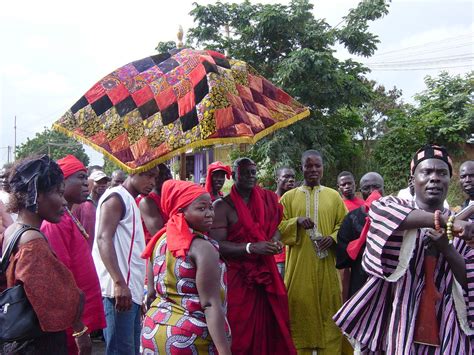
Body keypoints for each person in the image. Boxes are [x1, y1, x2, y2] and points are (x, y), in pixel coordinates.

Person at [334, 145, 474, 353]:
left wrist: (447, 247)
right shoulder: (391, 206)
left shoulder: (464, 228)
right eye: (426, 172)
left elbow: (468, 278)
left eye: (442, 173)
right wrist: (447, 223)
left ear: (449, 180)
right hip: (397, 317)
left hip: (446, 320)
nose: (434, 178)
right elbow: (382, 215)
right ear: (412, 179)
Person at [0, 155, 87, 354]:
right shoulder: (32, 242)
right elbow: (62, 297)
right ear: (37, 194)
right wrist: (80, 330)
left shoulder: (12, 231)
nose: (64, 202)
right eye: (59, 193)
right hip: (36, 344)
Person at [211, 157, 296, 355]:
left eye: (253, 172)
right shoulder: (221, 206)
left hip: (266, 273)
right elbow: (217, 244)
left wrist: (275, 241)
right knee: (239, 330)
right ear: (234, 175)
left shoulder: (267, 199)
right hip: (238, 278)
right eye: (245, 172)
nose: (251, 176)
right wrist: (250, 248)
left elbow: (275, 228)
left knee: (271, 324)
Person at [141, 180, 231, 354]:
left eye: (210, 207)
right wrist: (224, 350)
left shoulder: (159, 241)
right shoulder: (203, 248)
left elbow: (151, 293)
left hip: (152, 331)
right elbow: (210, 304)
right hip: (188, 337)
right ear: (181, 211)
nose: (209, 214)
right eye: (201, 208)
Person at [279, 150, 347, 355]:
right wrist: (295, 222)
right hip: (299, 268)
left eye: (317, 166)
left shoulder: (334, 196)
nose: (313, 170)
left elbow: (344, 225)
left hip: (327, 267)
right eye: (309, 166)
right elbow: (276, 228)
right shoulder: (288, 198)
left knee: (330, 310)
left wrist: (333, 238)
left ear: (323, 168)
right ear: (302, 168)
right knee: (299, 311)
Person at [41, 155, 106, 354]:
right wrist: (78, 328)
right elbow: (61, 279)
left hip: (80, 315)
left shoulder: (67, 214)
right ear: (62, 183)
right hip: (72, 321)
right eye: (80, 177)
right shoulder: (56, 223)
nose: (86, 183)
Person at [92, 167, 158, 355]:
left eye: (155, 177)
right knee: (122, 351)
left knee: (131, 350)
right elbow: (103, 238)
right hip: (118, 292)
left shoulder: (132, 201)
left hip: (132, 291)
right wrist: (119, 283)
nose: (152, 182)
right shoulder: (116, 198)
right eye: (148, 175)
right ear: (132, 171)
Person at [336, 172, 384, 300]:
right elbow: (343, 254)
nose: (372, 191)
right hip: (360, 275)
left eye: (376, 187)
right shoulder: (351, 218)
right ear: (361, 191)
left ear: (383, 188)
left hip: (388, 276)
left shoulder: (396, 215)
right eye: (366, 188)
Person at [72, 170, 110, 249]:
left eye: (105, 182)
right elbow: (89, 234)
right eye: (99, 182)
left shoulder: (106, 203)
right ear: (91, 183)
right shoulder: (86, 205)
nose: (102, 185)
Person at [138, 163, 172, 244]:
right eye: (163, 174)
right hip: (158, 247)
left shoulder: (168, 197)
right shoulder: (147, 202)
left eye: (168, 173)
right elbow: (158, 234)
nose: (168, 177)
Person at [274, 166, 296, 277]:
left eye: (293, 177)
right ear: (277, 179)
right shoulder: (269, 201)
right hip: (278, 259)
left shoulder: (297, 202)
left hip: (296, 257)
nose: (291, 179)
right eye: (286, 176)